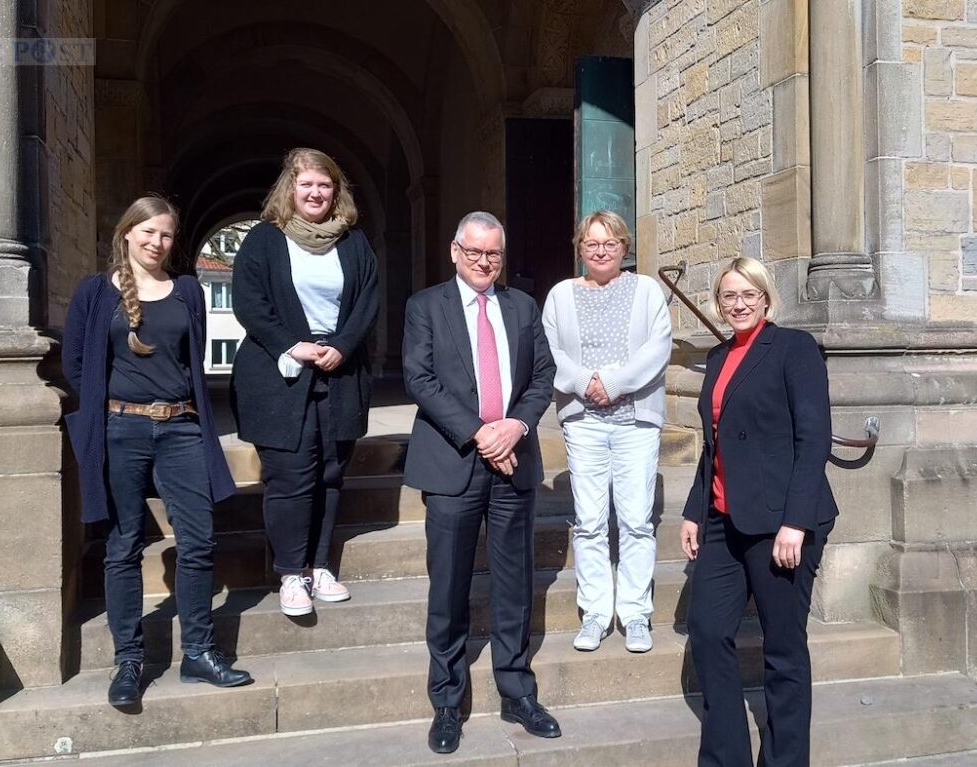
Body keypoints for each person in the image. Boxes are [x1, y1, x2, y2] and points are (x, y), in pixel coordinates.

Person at [62, 195, 251, 709]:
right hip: (121, 430)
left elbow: (191, 359)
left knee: (198, 541)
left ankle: (198, 652)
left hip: (182, 428)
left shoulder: (188, 290)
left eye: (166, 235)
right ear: (127, 233)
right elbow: (76, 365)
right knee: (123, 545)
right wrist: (107, 414)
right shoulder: (95, 293)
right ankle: (129, 661)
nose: (156, 242)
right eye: (148, 232)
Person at [403, 211, 560, 755]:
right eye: (474, 252)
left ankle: (517, 690)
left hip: (513, 460)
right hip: (453, 462)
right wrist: (478, 432)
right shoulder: (425, 306)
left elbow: (543, 376)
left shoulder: (521, 307)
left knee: (515, 584)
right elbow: (418, 377)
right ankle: (447, 700)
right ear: (454, 251)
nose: (484, 262)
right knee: (448, 586)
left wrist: (515, 426)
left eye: (493, 253)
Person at [679, 256, 839, 767]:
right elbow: (715, 443)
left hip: (780, 522)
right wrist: (692, 510)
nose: (739, 303)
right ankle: (727, 757)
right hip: (724, 520)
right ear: (718, 303)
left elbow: (813, 438)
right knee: (707, 631)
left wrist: (795, 522)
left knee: (783, 649)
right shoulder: (720, 355)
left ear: (767, 298)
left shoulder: (794, 348)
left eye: (749, 294)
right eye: (729, 296)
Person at [231, 148, 379, 617]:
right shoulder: (264, 240)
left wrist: (344, 345)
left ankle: (319, 565)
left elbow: (369, 300)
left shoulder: (354, 242)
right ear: (289, 190)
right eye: (306, 184)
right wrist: (291, 344)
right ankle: (291, 573)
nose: (316, 193)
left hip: (340, 371)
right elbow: (250, 303)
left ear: (337, 192)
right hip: (281, 376)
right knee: (291, 477)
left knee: (331, 474)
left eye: (325, 185)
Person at [542, 210, 671, 653]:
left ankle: (635, 612)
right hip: (584, 420)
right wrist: (585, 384)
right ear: (579, 248)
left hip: (636, 420)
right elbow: (551, 349)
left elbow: (658, 347)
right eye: (592, 243)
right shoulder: (560, 295)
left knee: (636, 520)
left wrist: (612, 383)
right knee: (591, 521)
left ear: (624, 246)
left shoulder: (647, 290)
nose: (601, 250)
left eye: (610, 242)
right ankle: (596, 611)